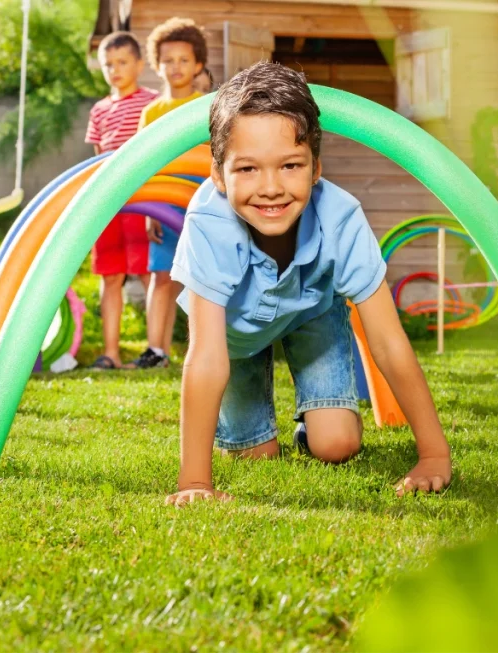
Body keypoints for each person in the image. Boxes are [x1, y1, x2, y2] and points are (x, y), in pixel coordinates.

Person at [165, 62, 452, 506]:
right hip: (233, 337)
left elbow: (389, 344)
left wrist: (433, 455)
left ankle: (316, 422)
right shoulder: (209, 224)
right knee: (256, 456)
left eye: (290, 165)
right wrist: (195, 482)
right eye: (248, 169)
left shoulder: (341, 217)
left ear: (316, 167)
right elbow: (205, 358)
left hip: (309, 314)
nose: (271, 188)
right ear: (218, 175)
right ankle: (252, 431)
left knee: (336, 446)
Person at [130, 18, 209, 369]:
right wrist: (150, 212)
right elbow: (144, 165)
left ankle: (204, 348)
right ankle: (156, 350)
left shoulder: (206, 107)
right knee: (161, 277)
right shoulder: (152, 113)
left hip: (199, 205)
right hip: (163, 206)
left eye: (184, 60)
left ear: (198, 65)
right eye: (168, 60)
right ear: (156, 65)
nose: (176, 67)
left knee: (200, 279)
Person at [84, 32, 158, 369]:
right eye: (107, 65)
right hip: (109, 202)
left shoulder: (152, 103)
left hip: (144, 200)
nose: (114, 70)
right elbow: (98, 158)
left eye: (122, 62)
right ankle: (111, 352)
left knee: (148, 272)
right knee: (111, 276)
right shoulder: (99, 110)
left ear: (139, 64)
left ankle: (154, 350)